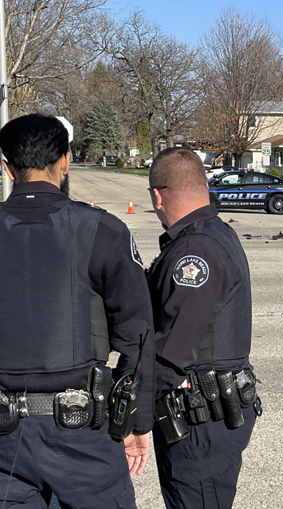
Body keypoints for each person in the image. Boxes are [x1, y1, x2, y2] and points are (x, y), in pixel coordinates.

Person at [0, 114, 155, 508]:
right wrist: (135, 421)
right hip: (81, 432)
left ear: (6, 166)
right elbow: (137, 334)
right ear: (66, 160)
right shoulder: (103, 230)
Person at [146, 147, 260, 509]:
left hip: (199, 420)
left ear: (157, 196)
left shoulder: (194, 253)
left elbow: (173, 351)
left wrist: (133, 418)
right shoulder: (215, 234)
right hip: (210, 415)